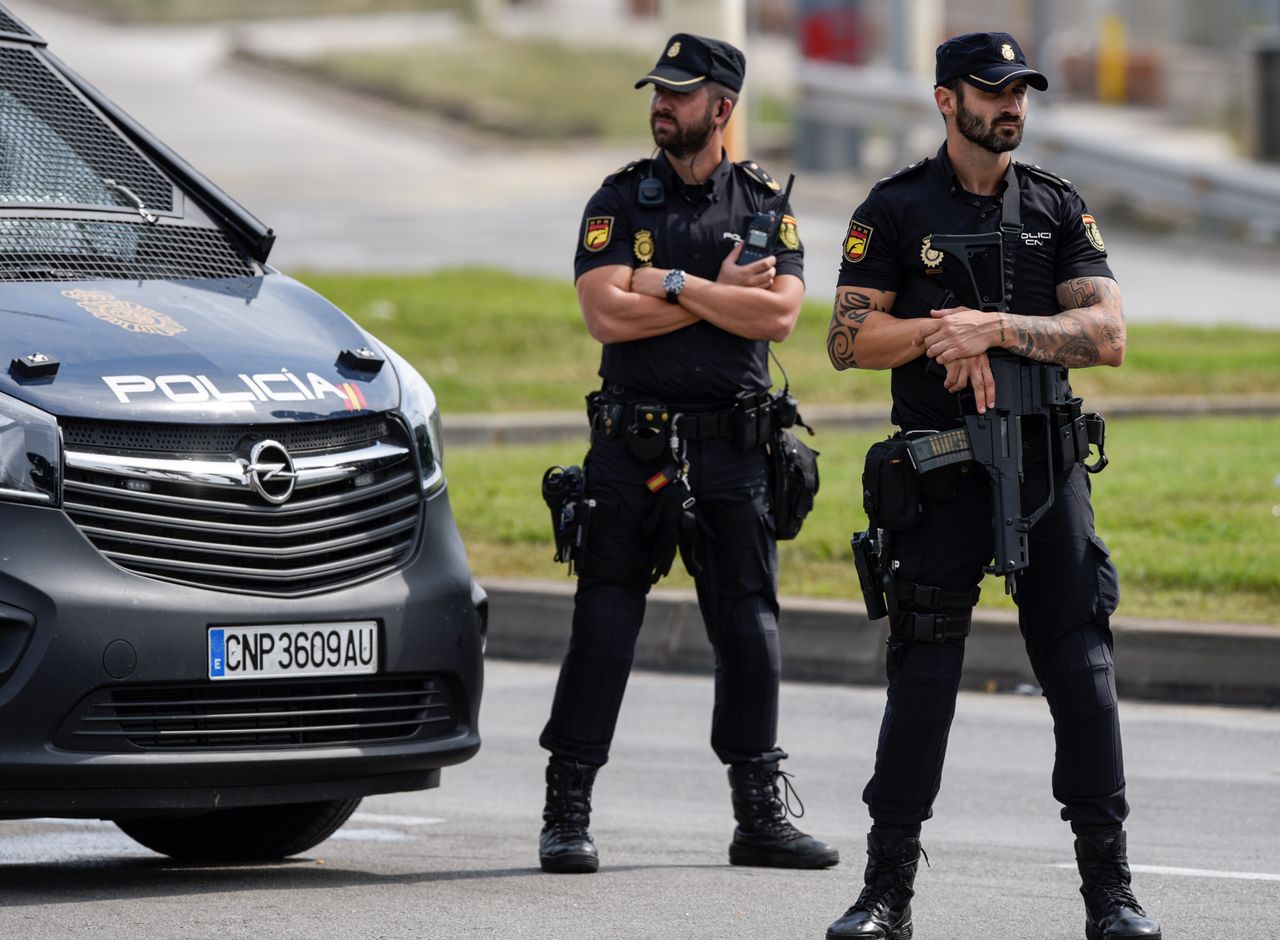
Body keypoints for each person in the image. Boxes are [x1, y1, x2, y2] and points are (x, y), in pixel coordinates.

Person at [823, 32, 1162, 940]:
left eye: (1021, 91)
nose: (1011, 105)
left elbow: (1108, 332)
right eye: (992, 90)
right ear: (947, 100)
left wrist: (998, 328)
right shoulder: (892, 211)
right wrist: (946, 330)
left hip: (1046, 468)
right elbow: (849, 340)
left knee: (1083, 672)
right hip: (938, 473)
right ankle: (885, 891)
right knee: (923, 679)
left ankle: (1110, 892)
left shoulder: (1056, 206)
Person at [536, 32, 838, 876]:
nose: (662, 103)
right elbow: (605, 315)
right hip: (633, 449)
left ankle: (758, 815)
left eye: (681, 91)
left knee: (750, 631)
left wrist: (662, 282)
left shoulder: (764, 204)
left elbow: (777, 318)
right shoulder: (618, 199)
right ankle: (567, 809)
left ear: (723, 109)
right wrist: (709, 293)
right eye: (658, 90)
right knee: (603, 626)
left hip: (733, 450)